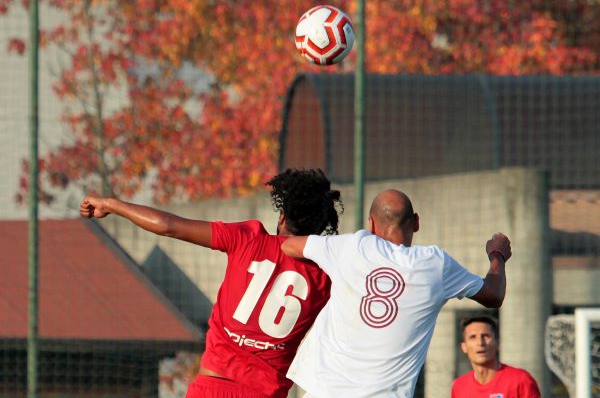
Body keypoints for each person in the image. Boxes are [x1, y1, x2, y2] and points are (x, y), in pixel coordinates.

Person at [79, 168, 344, 398]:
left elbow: (168, 225)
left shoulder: (248, 238)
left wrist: (111, 204)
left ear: (283, 217)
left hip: (212, 387)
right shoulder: (326, 277)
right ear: (321, 229)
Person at [281, 189, 511, 398]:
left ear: (371, 224)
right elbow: (494, 294)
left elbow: (288, 245)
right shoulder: (435, 264)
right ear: (416, 222)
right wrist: (497, 256)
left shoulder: (350, 247)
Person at [451, 316, 541, 398]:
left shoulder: (520, 380)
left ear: (497, 343)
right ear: (464, 347)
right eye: (473, 337)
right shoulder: (459, 386)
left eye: (486, 336)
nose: (480, 343)